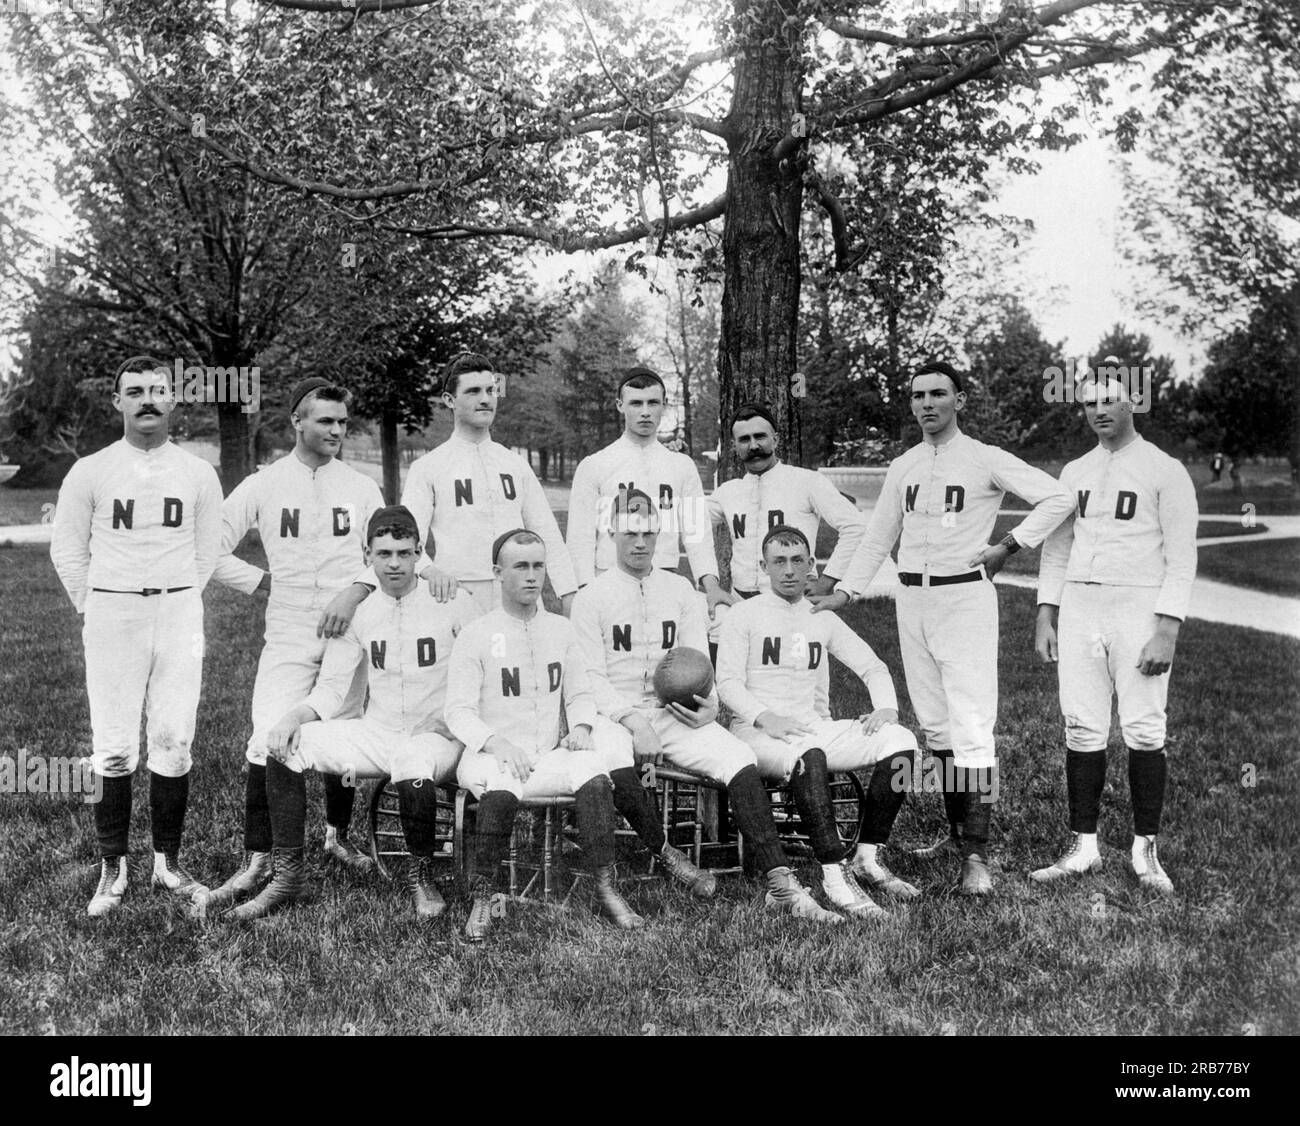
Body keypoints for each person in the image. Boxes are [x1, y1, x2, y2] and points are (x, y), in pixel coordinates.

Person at [813, 360, 1074, 896]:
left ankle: (977, 856)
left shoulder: (985, 458)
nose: (927, 403)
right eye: (917, 396)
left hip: (965, 597)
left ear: (960, 401)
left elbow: (1059, 497)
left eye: (938, 394)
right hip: (914, 599)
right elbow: (879, 535)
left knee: (973, 722)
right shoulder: (905, 465)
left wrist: (1009, 546)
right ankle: (959, 833)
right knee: (935, 725)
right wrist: (844, 590)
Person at [571, 489, 844, 924]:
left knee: (739, 757)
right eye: (629, 532)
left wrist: (708, 706)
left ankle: (780, 882)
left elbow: (699, 661)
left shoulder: (680, 590)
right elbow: (589, 678)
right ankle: (665, 854)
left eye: (648, 532)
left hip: (676, 712)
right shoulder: (592, 597)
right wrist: (633, 720)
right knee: (610, 758)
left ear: (660, 533)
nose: (640, 542)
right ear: (611, 533)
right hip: (614, 713)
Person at [231, 506, 475, 921]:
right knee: (286, 747)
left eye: (403, 552)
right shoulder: (359, 611)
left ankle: (422, 878)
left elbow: (483, 670)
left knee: (412, 758)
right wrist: (293, 718)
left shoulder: (453, 601)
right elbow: (331, 689)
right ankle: (288, 877)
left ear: (420, 553)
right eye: (384, 554)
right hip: (379, 733)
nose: (394, 563)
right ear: (367, 555)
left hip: (438, 738)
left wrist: (458, 719)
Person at [201, 378, 387, 915]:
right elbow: (208, 546)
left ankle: (337, 834)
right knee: (268, 734)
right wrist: (260, 582)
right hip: (287, 624)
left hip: (349, 623)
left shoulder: (360, 485)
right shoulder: (264, 483)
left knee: (341, 728)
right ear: (296, 423)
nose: (335, 431)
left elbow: (382, 555)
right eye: (324, 421)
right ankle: (260, 857)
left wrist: (355, 592)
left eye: (342, 423)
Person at [51, 358, 223, 916]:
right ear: (118, 403)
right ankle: (112, 866)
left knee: (174, 738)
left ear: (173, 400)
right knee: (115, 744)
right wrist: (100, 604)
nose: (147, 400)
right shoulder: (91, 470)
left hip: (178, 611)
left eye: (157, 390)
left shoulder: (197, 472)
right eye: (135, 392)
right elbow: (68, 553)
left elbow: (206, 552)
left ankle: (167, 862)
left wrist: (178, 598)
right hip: (113, 613)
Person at [1031, 377, 1197, 895]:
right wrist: (1045, 612)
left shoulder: (1165, 470)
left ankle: (1145, 848)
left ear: (1133, 403)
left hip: (1138, 606)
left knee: (1145, 728)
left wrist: (1166, 628)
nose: (1098, 410)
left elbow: (1182, 555)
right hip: (1082, 604)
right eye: (1088, 403)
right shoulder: (1075, 471)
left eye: (1108, 400)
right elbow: (1057, 548)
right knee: (1081, 726)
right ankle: (1084, 847)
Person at [447, 530, 642, 942]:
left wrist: (583, 728)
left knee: (592, 767)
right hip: (491, 754)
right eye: (521, 566)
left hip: (546, 754)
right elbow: (457, 712)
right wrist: (497, 744)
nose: (532, 576)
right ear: (498, 573)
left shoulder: (561, 629)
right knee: (502, 780)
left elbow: (581, 692)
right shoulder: (477, 634)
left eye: (538, 565)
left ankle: (606, 886)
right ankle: (484, 896)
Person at [717, 525, 921, 916]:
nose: (789, 570)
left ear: (812, 565)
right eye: (779, 562)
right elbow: (726, 682)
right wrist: (764, 717)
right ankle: (833, 874)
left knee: (901, 741)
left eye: (798, 561)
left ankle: (868, 857)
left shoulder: (820, 615)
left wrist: (886, 709)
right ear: (764, 567)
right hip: (756, 735)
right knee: (807, 750)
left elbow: (874, 667)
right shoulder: (744, 615)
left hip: (810, 727)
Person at [566, 367, 731, 619]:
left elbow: (697, 532)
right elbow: (580, 538)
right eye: (635, 403)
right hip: (609, 579)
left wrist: (710, 584)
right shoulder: (595, 465)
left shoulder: (680, 465)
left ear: (664, 405)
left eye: (653, 402)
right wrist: (585, 591)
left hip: (665, 578)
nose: (645, 412)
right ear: (620, 405)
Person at [708, 403, 866, 599]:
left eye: (760, 436)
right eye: (744, 439)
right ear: (734, 447)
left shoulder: (807, 481)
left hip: (794, 599)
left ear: (775, 440)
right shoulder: (728, 492)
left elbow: (855, 526)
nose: (754, 446)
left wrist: (827, 582)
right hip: (741, 601)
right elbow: (686, 522)